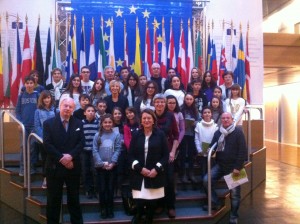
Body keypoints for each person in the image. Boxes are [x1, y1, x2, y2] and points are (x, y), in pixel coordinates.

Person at [43, 97, 84, 224]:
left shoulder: (78, 123)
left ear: (73, 109)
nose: (67, 108)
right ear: (60, 106)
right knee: (53, 201)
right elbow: (47, 144)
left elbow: (81, 143)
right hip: (55, 168)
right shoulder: (48, 123)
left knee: (74, 200)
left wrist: (70, 156)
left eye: (70, 107)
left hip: (73, 166)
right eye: (65, 105)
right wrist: (62, 158)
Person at [202, 112, 247, 224]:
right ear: (221, 120)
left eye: (228, 118)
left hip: (235, 167)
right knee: (206, 180)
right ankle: (216, 203)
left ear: (232, 119)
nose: (226, 120)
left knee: (235, 195)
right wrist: (207, 150)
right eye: (223, 118)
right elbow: (213, 146)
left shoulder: (238, 132)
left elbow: (242, 151)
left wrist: (237, 167)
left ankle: (234, 216)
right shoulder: (218, 132)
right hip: (220, 165)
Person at [128, 109, 169, 224]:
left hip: (155, 173)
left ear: (153, 120)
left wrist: (157, 169)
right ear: (141, 121)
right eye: (144, 118)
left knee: (152, 201)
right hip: (139, 173)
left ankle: (149, 218)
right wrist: (139, 169)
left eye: (149, 118)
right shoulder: (136, 134)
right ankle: (139, 214)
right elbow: (130, 155)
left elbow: (166, 155)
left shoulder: (160, 134)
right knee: (140, 200)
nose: (146, 120)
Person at [153, 93, 179, 218]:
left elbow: (176, 135)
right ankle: (159, 204)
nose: (160, 104)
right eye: (157, 102)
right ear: (154, 103)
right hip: (154, 154)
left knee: (169, 180)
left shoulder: (170, 115)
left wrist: (173, 152)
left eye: (162, 102)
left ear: (165, 103)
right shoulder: (150, 115)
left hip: (168, 153)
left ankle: (170, 206)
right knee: (157, 180)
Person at [93, 114, 121, 219]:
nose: (107, 124)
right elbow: (95, 150)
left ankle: (110, 209)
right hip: (100, 168)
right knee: (102, 189)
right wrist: (101, 163)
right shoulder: (97, 135)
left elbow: (118, 149)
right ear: (101, 123)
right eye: (105, 122)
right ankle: (103, 209)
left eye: (109, 122)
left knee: (110, 189)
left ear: (112, 123)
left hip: (112, 167)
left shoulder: (116, 135)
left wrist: (113, 162)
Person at [16, 76, 40, 176]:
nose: (29, 85)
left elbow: (40, 110)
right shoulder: (21, 96)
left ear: (34, 84)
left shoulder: (37, 95)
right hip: (24, 126)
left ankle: (32, 168)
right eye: (27, 83)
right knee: (23, 147)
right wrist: (19, 123)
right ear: (24, 84)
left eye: (31, 83)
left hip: (34, 126)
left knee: (33, 147)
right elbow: (18, 111)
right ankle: (22, 168)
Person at [34, 90, 56, 188]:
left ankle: (54, 179)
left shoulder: (55, 110)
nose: (47, 100)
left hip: (54, 140)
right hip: (42, 140)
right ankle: (45, 178)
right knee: (45, 160)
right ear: (42, 99)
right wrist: (44, 138)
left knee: (54, 160)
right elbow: (37, 126)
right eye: (45, 98)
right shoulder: (38, 111)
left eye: (48, 97)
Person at [194, 106, 218, 190]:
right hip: (201, 153)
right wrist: (199, 150)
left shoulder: (215, 126)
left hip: (211, 153)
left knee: (211, 172)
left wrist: (211, 150)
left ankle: (211, 189)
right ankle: (204, 189)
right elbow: (196, 138)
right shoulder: (199, 125)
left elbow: (216, 140)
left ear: (211, 114)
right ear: (202, 115)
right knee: (203, 171)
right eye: (205, 112)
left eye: (208, 112)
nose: (207, 114)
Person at [179, 93, 200, 184]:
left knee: (191, 154)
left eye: (190, 99)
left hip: (192, 134)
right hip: (182, 135)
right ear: (184, 100)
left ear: (193, 100)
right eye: (187, 99)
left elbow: (199, 122)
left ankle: (191, 174)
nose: (189, 101)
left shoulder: (195, 110)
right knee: (182, 154)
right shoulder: (180, 109)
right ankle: (183, 174)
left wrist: (194, 123)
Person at [81, 104, 99, 199]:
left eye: (93, 111)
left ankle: (96, 189)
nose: (91, 112)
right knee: (85, 171)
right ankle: (88, 189)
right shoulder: (81, 123)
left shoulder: (98, 123)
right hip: (84, 151)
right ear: (85, 113)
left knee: (95, 170)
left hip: (94, 151)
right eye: (88, 111)